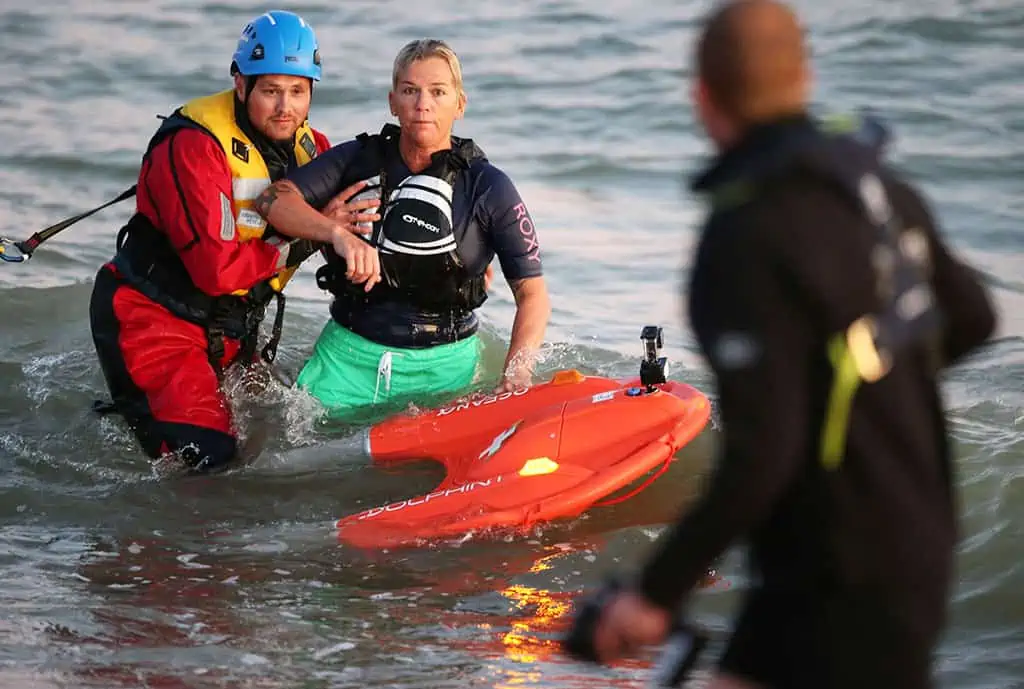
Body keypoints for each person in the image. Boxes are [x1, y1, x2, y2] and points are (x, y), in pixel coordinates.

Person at [575, 2, 998, 688]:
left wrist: (654, 595)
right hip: (921, 543)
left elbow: (764, 454)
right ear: (805, 77)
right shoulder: (878, 188)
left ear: (702, 97)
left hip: (833, 562)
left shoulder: (744, 236)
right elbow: (973, 316)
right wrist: (868, 385)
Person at [89, 10, 379, 473]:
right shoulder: (194, 147)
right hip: (155, 321)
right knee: (212, 465)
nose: (285, 107)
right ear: (240, 85)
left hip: (231, 330)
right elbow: (218, 271)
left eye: (298, 91)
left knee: (286, 428)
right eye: (270, 90)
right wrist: (311, 230)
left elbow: (352, 225)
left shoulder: (312, 148)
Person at [251, 38, 551, 420]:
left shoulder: (489, 187)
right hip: (346, 362)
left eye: (438, 92)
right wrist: (335, 232)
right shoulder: (357, 159)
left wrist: (517, 373)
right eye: (410, 91)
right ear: (393, 102)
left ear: (460, 104)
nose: (422, 104)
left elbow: (533, 294)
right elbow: (272, 200)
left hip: (445, 371)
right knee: (298, 461)